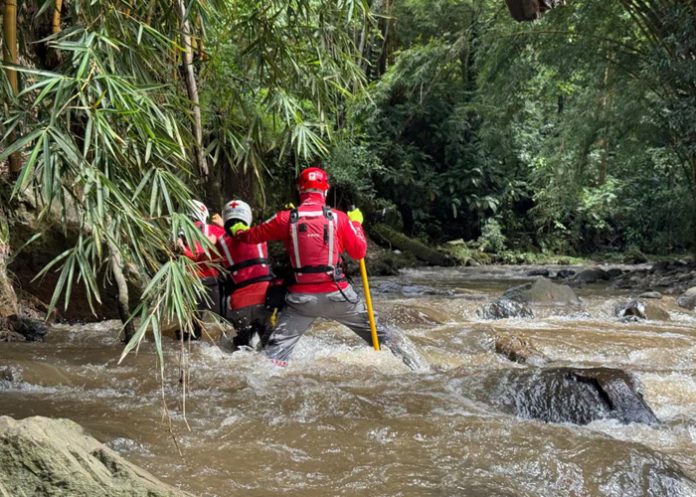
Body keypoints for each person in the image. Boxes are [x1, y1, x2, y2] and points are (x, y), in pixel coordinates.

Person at [232, 166, 409, 367]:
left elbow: (252, 236)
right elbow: (359, 252)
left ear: (300, 191)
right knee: (384, 336)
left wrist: (239, 232)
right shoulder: (341, 218)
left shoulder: (285, 218)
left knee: (272, 358)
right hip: (339, 296)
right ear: (325, 191)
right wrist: (357, 223)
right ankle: (415, 367)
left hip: (301, 303)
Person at [216, 199, 274, 350]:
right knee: (270, 345)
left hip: (238, 306)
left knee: (242, 347)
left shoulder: (220, 244)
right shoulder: (262, 235)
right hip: (266, 300)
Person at [180, 199, 226, 336]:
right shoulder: (215, 230)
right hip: (212, 281)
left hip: (189, 284)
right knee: (222, 326)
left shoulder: (179, 236)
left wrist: (184, 251)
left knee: (192, 330)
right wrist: (224, 226)